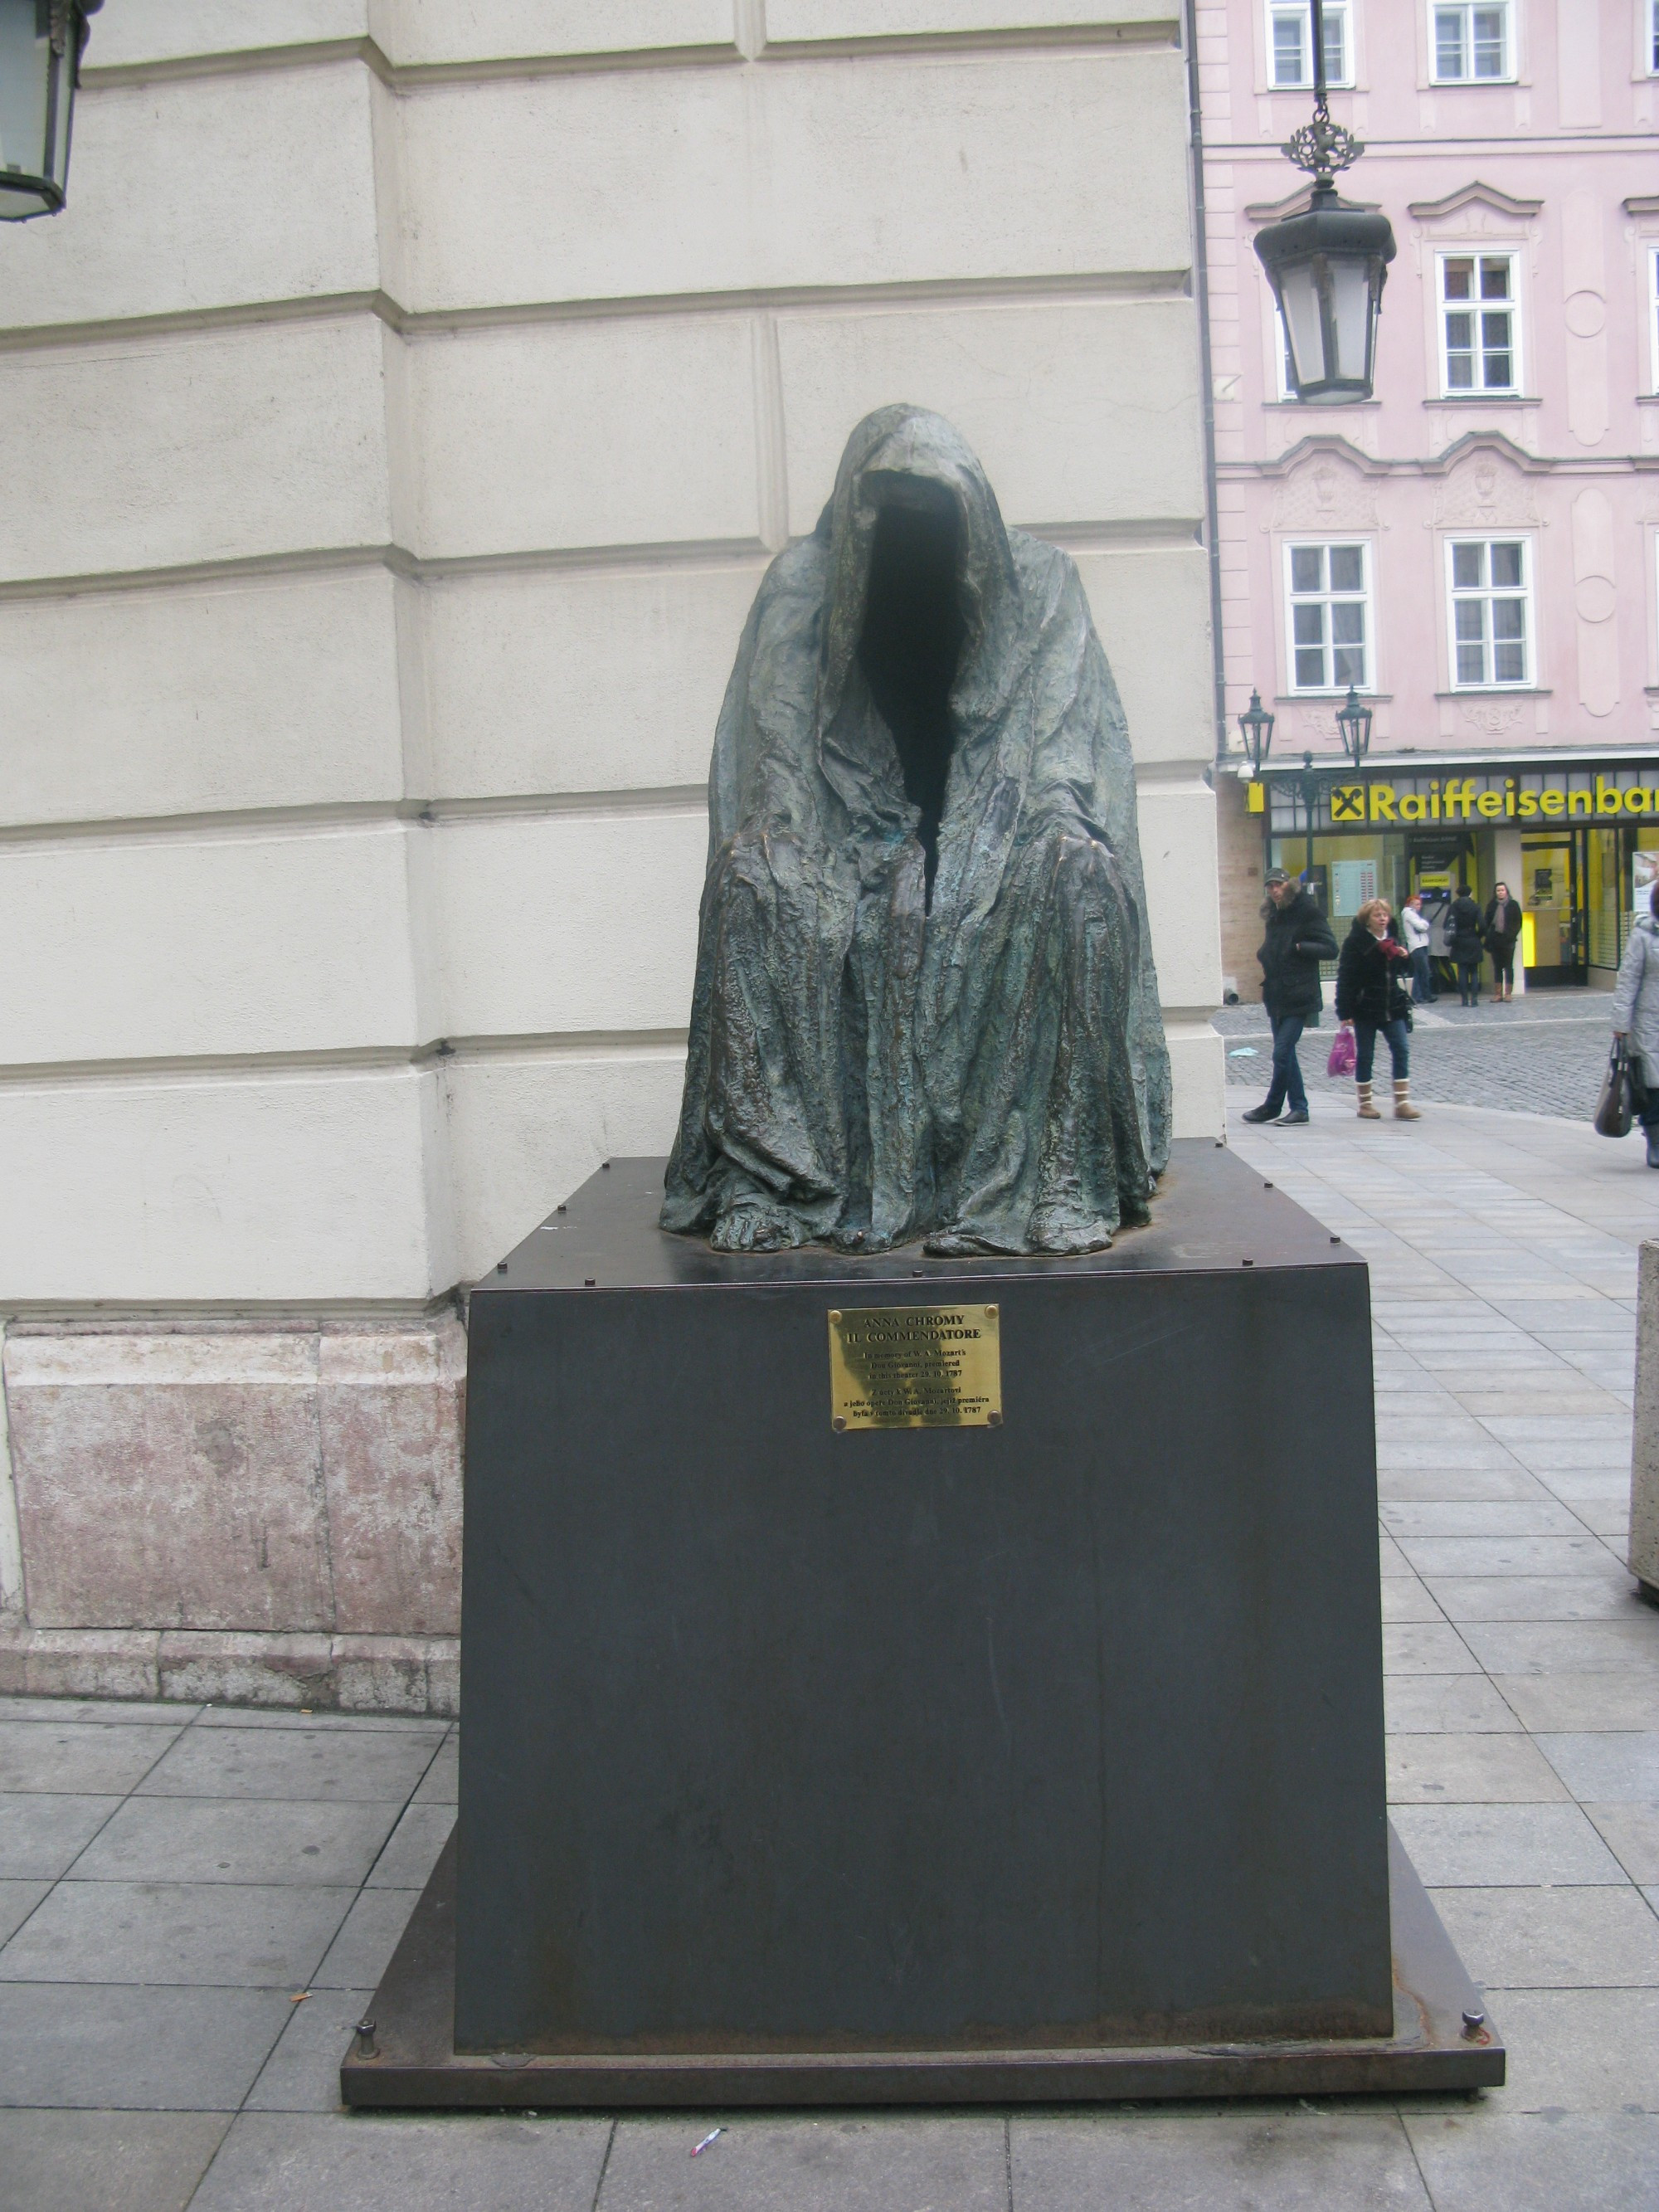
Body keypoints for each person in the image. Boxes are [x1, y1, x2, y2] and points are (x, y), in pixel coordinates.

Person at [1241, 869, 1338, 1125]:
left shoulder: (1307, 911)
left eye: (1278, 885)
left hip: (1300, 994)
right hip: (1276, 993)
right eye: (1270, 886)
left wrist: (1300, 947)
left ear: (1288, 886)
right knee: (1286, 1053)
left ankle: (1274, 1105)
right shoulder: (1274, 914)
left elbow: (1331, 948)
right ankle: (1298, 1108)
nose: (1274, 890)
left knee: (1282, 1052)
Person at [1336, 897, 1420, 1121]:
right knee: (1366, 1055)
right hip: (1366, 1007)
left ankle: (1402, 1103)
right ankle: (1365, 1104)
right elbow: (1346, 978)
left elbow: (1404, 970)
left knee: (1401, 1048)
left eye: (1385, 915)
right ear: (1368, 919)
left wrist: (1404, 957)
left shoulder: (1392, 939)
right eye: (1377, 915)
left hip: (1392, 1005)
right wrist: (1345, 1012)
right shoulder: (1355, 943)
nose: (1383, 919)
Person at [1612, 881, 1659, 1168]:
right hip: (1649, 1022)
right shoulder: (1643, 935)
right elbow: (1627, 979)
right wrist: (1621, 1023)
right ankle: (1655, 1140)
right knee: (1653, 1085)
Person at [1484, 881, 1522, 1003]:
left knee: (1508, 967)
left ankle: (1508, 993)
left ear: (1506, 892)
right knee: (1497, 967)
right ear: (1495, 893)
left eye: (1502, 890)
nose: (1500, 892)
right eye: (1498, 890)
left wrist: (1511, 935)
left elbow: (1518, 922)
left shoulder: (1513, 905)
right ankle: (1498, 993)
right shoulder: (1491, 905)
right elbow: (1487, 922)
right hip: (1495, 941)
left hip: (1509, 941)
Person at [1447, 882, 1485, 1006]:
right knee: (1474, 971)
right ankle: (1474, 999)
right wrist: (1478, 935)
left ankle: (1464, 999)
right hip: (1473, 939)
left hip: (1459, 940)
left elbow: (1446, 924)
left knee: (1462, 971)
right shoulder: (1475, 907)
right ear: (1470, 893)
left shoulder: (1453, 907)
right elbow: (1483, 925)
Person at [1399, 890, 1434, 1005]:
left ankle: (1418, 995)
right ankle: (1424, 995)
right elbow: (1422, 927)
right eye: (1416, 904)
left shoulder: (1412, 914)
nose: (1419, 907)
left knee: (1418, 971)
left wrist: (1423, 924)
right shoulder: (1409, 914)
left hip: (1419, 944)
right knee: (1423, 971)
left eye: (1419, 904)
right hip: (1417, 945)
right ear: (1410, 904)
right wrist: (1425, 924)